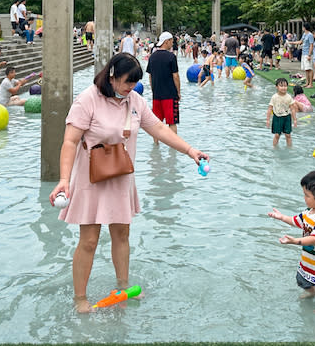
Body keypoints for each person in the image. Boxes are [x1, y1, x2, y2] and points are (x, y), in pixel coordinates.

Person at [48, 53, 209, 313]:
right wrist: (64, 179)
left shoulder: (134, 101)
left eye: (134, 83)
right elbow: (70, 141)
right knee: (89, 240)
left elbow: (159, 129)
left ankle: (123, 286)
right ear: (111, 75)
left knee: (122, 234)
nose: (130, 87)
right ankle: (80, 298)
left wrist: (190, 151)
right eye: (126, 82)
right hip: (91, 178)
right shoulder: (88, 99)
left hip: (121, 176)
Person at [267, 171, 315, 313]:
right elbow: (295, 221)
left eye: (307, 195)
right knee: (301, 279)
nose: (304, 198)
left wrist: (296, 241)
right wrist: (281, 217)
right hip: (308, 259)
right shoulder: (309, 212)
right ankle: (311, 292)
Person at [146, 31, 181, 146]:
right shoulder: (171, 56)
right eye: (171, 41)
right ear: (167, 42)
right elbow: (175, 76)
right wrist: (178, 92)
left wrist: (153, 90)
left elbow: (150, 76)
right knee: (172, 122)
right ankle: (173, 147)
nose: (172, 43)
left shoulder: (152, 57)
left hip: (156, 95)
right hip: (170, 94)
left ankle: (156, 145)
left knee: (157, 123)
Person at [267, 77, 296, 147]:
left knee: (288, 135)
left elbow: (292, 109)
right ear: (277, 87)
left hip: (287, 117)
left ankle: (289, 148)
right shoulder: (274, 97)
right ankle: (274, 148)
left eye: (285, 86)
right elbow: (270, 108)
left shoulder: (289, 97)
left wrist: (295, 119)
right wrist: (268, 120)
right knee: (277, 135)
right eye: (281, 86)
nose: (284, 88)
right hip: (277, 117)